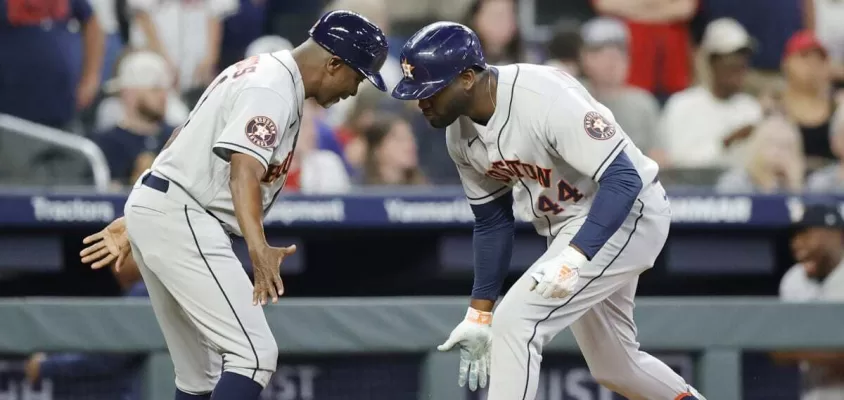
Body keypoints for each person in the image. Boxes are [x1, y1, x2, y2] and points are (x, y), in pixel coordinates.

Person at [77, 10, 388, 400]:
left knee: (199, 376)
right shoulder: (273, 87)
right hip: (184, 214)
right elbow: (243, 169)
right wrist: (258, 249)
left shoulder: (260, 71)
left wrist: (138, 213)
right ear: (333, 63)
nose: (354, 90)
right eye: (357, 76)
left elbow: (182, 135)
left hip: (168, 207)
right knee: (254, 355)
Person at [390, 22, 705, 400]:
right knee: (616, 366)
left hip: (626, 213)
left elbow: (623, 178)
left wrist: (575, 257)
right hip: (568, 226)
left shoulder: (543, 97)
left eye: (430, 90)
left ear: (468, 78)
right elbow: (492, 221)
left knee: (518, 322)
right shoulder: (458, 135)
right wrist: (478, 312)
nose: (420, 101)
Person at [25, 246, 148, 400]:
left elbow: (108, 357)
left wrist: (47, 366)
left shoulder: (143, 292)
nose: (114, 268)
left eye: (121, 256)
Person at [774, 202, 844, 399]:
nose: (796, 244)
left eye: (806, 234)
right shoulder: (794, 280)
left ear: (836, 234)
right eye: (794, 237)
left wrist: (803, 347)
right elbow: (778, 349)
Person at [93, 50, 175, 188]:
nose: (163, 96)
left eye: (165, 90)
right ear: (129, 94)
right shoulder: (105, 144)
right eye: (155, 89)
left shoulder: (177, 138)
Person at [715, 115, 806, 194]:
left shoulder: (811, 185)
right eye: (773, 144)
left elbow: (802, 212)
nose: (779, 153)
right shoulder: (735, 183)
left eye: (787, 147)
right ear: (756, 148)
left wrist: (795, 186)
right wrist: (767, 186)